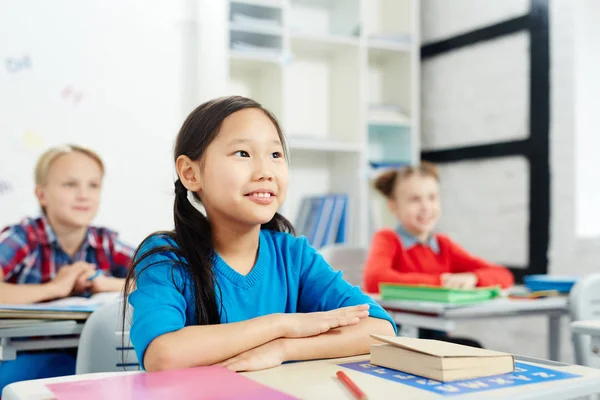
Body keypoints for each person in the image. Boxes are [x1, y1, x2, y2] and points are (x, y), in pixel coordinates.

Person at [125, 95, 397, 373]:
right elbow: (162, 356)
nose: (266, 171)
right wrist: (282, 325)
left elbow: (381, 329)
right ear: (190, 173)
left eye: (275, 155)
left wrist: (283, 348)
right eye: (243, 153)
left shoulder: (293, 255)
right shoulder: (165, 258)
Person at [0, 144, 135, 390]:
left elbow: (167, 276)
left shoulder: (105, 242)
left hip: (93, 358)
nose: (84, 195)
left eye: (93, 185)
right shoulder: (23, 237)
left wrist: (106, 284)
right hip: (21, 357)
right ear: (41, 195)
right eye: (69, 185)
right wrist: (54, 288)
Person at [363, 162, 514, 347]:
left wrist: (474, 278)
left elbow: (503, 275)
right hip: (398, 339)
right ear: (393, 206)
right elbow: (375, 279)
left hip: (435, 339)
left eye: (432, 197)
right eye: (415, 199)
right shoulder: (388, 239)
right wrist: (443, 283)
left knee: (474, 348)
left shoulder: (443, 245)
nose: (426, 206)